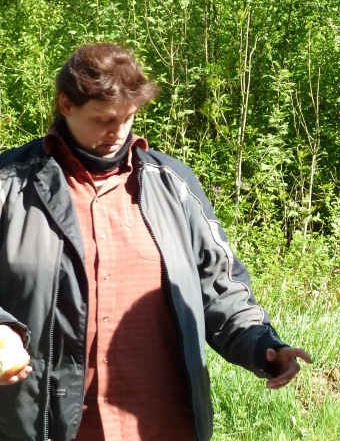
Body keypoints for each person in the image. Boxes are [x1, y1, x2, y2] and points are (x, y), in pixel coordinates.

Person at [0, 43, 312, 441]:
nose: (117, 133)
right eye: (103, 119)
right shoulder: (9, 185)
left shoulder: (174, 184)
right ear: (66, 105)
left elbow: (218, 286)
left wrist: (261, 345)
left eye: (128, 118)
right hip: (48, 424)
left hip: (163, 422)